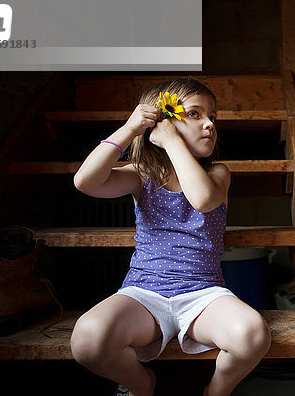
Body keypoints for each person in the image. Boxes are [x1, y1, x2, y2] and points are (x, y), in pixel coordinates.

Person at [70, 78, 271, 396]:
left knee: (253, 334)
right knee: (87, 340)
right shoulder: (141, 175)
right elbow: (86, 181)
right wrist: (130, 128)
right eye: (195, 114)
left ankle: (216, 392)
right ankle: (141, 383)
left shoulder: (218, 173)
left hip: (204, 297)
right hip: (144, 294)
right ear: (162, 123)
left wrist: (173, 141)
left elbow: (202, 199)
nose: (209, 124)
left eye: (213, 117)